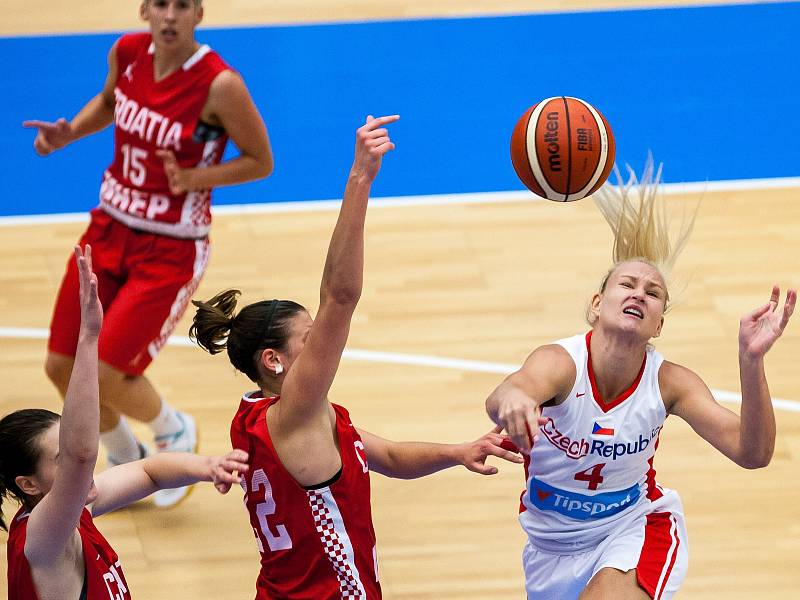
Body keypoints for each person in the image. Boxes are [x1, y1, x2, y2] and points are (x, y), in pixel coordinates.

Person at [189, 115, 522, 599]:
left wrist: (458, 453)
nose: (322, 342)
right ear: (273, 361)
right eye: (308, 338)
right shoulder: (296, 412)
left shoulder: (259, 417)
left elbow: (382, 455)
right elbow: (340, 297)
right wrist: (361, 176)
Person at [485, 159, 796, 600]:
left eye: (653, 293)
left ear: (659, 326)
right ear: (597, 304)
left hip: (635, 529)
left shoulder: (670, 383)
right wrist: (513, 399)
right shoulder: (561, 362)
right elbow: (508, 392)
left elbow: (753, 453)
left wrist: (750, 360)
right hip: (548, 549)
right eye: (626, 284)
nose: (638, 294)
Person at [22, 0, 273, 507]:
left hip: (171, 246)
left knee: (106, 374)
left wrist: (196, 177)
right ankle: (123, 451)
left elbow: (259, 161)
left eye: (183, 5)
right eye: (161, 3)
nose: (170, 15)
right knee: (59, 366)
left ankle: (173, 429)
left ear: (199, 13)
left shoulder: (220, 84)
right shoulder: (129, 52)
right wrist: (69, 132)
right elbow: (112, 103)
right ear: (144, 11)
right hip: (109, 225)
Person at [1, 246, 249, 600]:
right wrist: (88, 340)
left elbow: (150, 473)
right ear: (28, 484)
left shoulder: (75, 511)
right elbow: (83, 454)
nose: (75, 460)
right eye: (61, 458)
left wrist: (208, 466)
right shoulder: (43, 539)